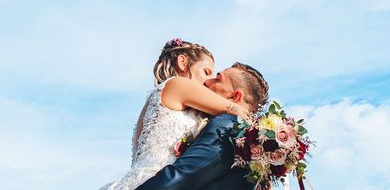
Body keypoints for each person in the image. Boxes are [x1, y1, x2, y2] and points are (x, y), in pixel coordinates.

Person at [99, 39, 251, 190]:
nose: (207, 81)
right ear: (183, 62)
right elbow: (235, 110)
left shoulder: (159, 99)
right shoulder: (178, 84)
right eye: (206, 72)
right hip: (159, 183)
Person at [134, 63, 270, 190]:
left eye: (217, 79)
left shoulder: (227, 125)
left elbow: (184, 175)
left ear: (235, 96)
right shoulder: (251, 150)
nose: (206, 82)